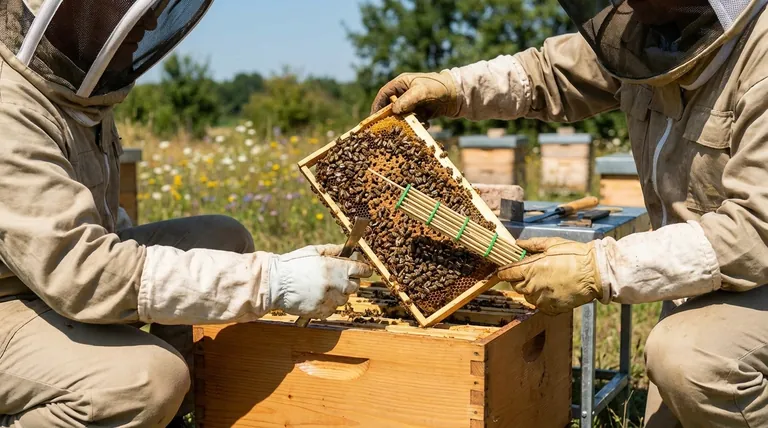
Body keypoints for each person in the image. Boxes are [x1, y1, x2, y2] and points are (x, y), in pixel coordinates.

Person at [373, 0, 768, 426]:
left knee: (688, 360)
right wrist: (452, 87)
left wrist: (599, 267)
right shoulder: (649, 32)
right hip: (705, 286)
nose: (628, 5)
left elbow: (755, 230)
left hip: (758, 274)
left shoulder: (759, 59)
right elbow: (549, 73)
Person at [0, 0, 372, 427]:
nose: (153, 21)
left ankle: (172, 414)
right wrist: (271, 280)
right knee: (147, 381)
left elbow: (86, 221)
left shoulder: (72, 91)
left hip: (45, 282)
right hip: (13, 301)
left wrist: (268, 271)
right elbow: (81, 274)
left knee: (222, 237)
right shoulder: (10, 109)